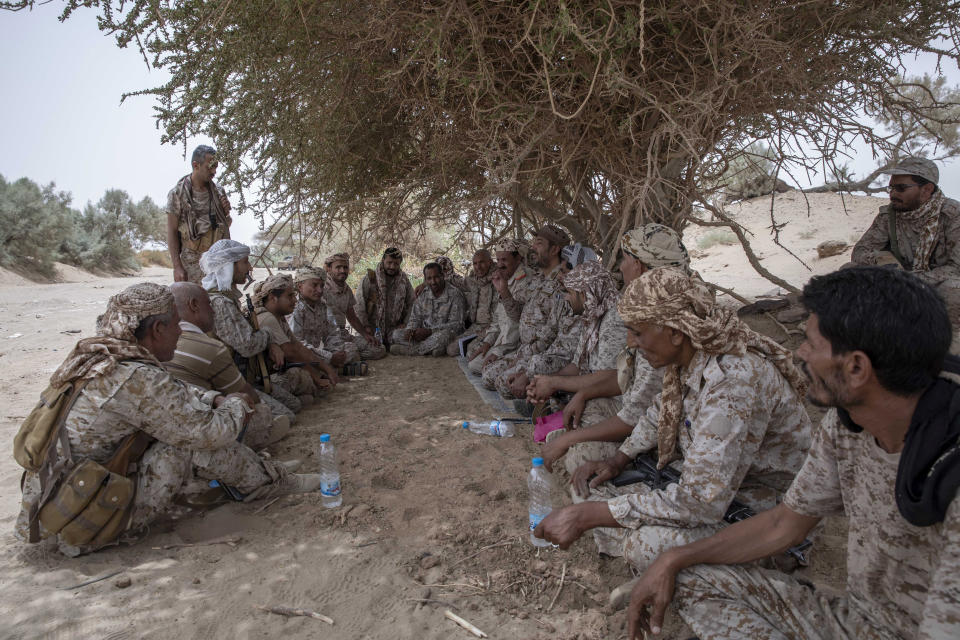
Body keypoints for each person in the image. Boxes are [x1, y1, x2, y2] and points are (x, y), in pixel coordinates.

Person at [624, 267, 960, 640]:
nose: (800, 354)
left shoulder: (948, 473)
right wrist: (676, 559)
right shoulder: (846, 427)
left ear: (856, 367)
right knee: (686, 575)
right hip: (857, 622)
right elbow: (785, 524)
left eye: (811, 344)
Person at [534, 267, 812, 574]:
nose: (632, 342)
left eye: (638, 333)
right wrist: (618, 460)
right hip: (705, 482)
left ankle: (769, 559)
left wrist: (590, 516)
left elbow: (701, 501)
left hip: (759, 509)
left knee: (646, 544)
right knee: (590, 480)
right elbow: (658, 413)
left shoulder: (732, 382)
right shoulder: (688, 356)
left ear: (676, 332)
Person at [14, 283, 322, 556]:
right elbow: (209, 433)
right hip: (82, 518)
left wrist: (210, 397)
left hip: (60, 504)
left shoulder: (101, 358)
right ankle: (270, 482)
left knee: (188, 424)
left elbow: (168, 395)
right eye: (177, 325)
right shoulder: (133, 376)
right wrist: (237, 405)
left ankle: (261, 472)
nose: (180, 333)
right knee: (191, 443)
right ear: (158, 330)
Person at [534, 224, 690, 480]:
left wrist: (576, 439)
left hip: (664, 438)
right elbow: (645, 405)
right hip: (638, 418)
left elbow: (633, 408)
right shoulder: (641, 318)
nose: (620, 268)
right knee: (567, 436)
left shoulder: (658, 332)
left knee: (577, 458)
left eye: (625, 259)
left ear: (639, 266)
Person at [165, 282, 291, 450]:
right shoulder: (208, 347)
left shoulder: (164, 341)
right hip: (201, 423)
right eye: (208, 305)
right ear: (194, 305)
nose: (212, 310)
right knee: (266, 412)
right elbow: (247, 394)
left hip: (179, 419)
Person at [852, 156, 960, 327]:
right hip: (896, 282)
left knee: (954, 290)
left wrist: (913, 280)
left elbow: (956, 269)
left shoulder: (953, 216)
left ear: (927, 189)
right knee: (849, 272)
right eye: (891, 187)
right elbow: (860, 252)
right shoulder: (889, 216)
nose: (893, 194)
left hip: (936, 285)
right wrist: (887, 264)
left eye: (901, 188)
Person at [199, 240, 294, 419]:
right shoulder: (219, 303)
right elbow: (247, 345)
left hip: (244, 377)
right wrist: (268, 337)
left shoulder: (227, 299)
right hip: (226, 385)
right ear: (229, 266)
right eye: (245, 262)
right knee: (286, 417)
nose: (249, 268)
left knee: (295, 404)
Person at [482, 226, 572, 395]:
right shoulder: (538, 279)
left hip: (542, 354)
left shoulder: (562, 283)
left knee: (503, 383)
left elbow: (552, 333)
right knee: (487, 375)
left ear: (554, 249)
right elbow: (517, 316)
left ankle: (540, 392)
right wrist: (504, 292)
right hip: (525, 350)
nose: (533, 248)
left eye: (539, 243)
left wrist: (522, 358)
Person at [252, 274, 337, 408]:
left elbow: (298, 347)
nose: (294, 300)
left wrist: (327, 369)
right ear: (273, 298)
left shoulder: (278, 317)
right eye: (290, 296)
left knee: (308, 397)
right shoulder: (267, 318)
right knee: (300, 377)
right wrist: (316, 376)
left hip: (272, 375)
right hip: (262, 380)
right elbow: (291, 353)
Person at [467, 240, 537, 375]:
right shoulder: (505, 278)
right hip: (502, 340)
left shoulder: (527, 279)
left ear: (518, 258)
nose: (500, 264)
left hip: (517, 345)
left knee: (481, 369)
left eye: (504, 259)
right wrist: (488, 342)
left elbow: (518, 321)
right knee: (472, 355)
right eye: (498, 259)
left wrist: (498, 352)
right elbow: (497, 319)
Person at [167, 144, 232, 284]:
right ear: (196, 165)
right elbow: (172, 231)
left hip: (217, 260)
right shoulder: (178, 194)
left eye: (216, 167)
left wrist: (226, 214)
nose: (214, 171)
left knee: (223, 302)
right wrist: (177, 267)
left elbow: (226, 226)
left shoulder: (218, 191)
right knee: (194, 303)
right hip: (192, 263)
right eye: (210, 166)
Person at [389, 262, 467, 356]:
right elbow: (415, 318)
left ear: (442, 276)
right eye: (429, 278)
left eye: (436, 277)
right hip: (422, 335)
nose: (433, 282)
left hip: (441, 333)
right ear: (425, 280)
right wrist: (411, 330)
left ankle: (413, 350)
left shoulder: (455, 294)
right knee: (396, 334)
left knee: (444, 336)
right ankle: (432, 349)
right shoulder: (423, 294)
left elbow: (457, 325)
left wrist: (430, 331)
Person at [322, 252, 386, 361]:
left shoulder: (346, 289)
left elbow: (351, 317)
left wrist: (365, 335)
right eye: (338, 267)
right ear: (328, 268)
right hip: (327, 337)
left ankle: (346, 358)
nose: (342, 271)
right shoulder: (321, 288)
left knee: (379, 348)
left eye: (345, 267)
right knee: (351, 354)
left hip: (343, 334)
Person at [288, 266, 355, 367]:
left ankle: (328, 367)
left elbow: (332, 333)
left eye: (322, 286)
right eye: (314, 285)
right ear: (300, 286)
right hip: (301, 355)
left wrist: (336, 352)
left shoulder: (322, 306)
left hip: (318, 354)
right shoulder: (294, 308)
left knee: (350, 349)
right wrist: (329, 357)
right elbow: (297, 345)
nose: (319, 290)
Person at [355, 247, 415, 347]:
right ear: (383, 260)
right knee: (372, 348)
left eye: (396, 264)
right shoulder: (370, 278)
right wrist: (365, 326)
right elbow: (359, 305)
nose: (392, 266)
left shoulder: (404, 280)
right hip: (373, 329)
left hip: (395, 329)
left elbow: (412, 303)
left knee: (412, 340)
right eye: (389, 262)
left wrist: (405, 323)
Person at [447, 248, 497, 357]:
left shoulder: (499, 278)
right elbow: (454, 281)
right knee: (451, 350)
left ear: (490, 262)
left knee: (471, 352)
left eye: (482, 262)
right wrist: (425, 284)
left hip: (493, 326)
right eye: (475, 263)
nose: (478, 267)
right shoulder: (472, 280)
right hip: (477, 326)